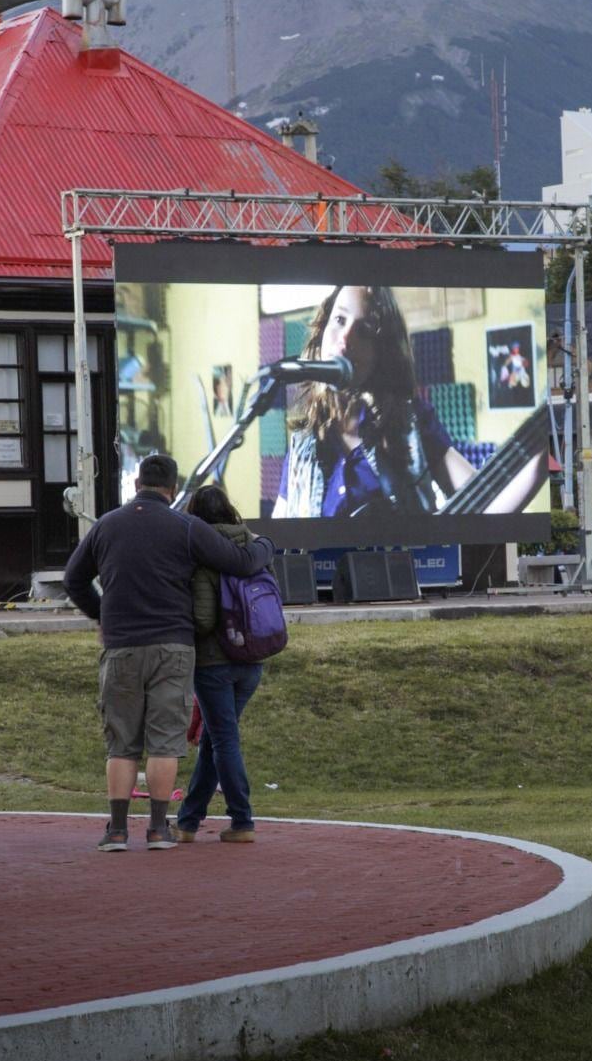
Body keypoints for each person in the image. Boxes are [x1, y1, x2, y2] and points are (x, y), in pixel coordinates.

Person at [63, 454, 274, 853]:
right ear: (173, 489)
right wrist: (266, 545)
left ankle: (118, 831)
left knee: (122, 744)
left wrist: (101, 615)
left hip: (121, 645)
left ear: (136, 484)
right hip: (174, 647)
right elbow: (241, 562)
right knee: (164, 743)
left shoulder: (107, 525)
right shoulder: (186, 526)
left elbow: (73, 579)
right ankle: (159, 829)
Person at [271, 285, 481, 519]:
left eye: (364, 330)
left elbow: (486, 502)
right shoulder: (303, 445)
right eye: (339, 319)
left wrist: (530, 460)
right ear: (322, 330)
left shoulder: (410, 425)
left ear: (382, 353)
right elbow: (278, 540)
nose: (345, 338)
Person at [173, 485, 267, 844]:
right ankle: (188, 821)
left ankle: (242, 820)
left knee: (224, 740)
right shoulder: (253, 546)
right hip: (252, 659)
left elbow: (202, 618)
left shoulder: (201, 555)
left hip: (214, 663)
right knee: (214, 741)